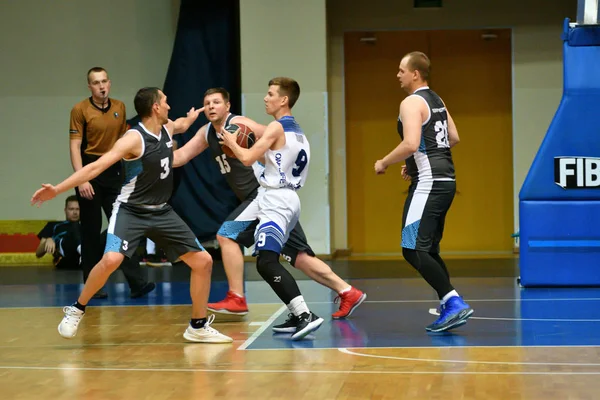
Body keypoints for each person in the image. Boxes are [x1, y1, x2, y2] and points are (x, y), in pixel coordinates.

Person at [32, 87, 232, 343]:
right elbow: (96, 166)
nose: (169, 106)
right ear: (156, 107)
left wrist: (191, 119)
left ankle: (198, 325)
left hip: (162, 212)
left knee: (203, 262)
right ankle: (77, 308)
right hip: (130, 211)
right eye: (166, 101)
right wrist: (58, 189)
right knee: (111, 260)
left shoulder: (166, 128)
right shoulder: (133, 139)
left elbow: (179, 124)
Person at [173, 87, 366, 322]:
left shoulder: (242, 124)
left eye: (216, 102)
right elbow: (179, 158)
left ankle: (238, 297)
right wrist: (167, 137)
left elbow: (278, 140)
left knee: (227, 235)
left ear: (228, 106)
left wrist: (268, 161)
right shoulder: (206, 133)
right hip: (261, 199)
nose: (211, 106)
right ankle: (348, 291)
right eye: (207, 103)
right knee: (297, 257)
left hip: (263, 195)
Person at [374, 51, 473, 333]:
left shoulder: (411, 102)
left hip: (429, 183)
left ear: (415, 73)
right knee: (427, 248)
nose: (398, 75)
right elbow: (452, 137)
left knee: (411, 247)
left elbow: (411, 143)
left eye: (401, 70)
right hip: (445, 181)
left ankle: (453, 302)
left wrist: (384, 162)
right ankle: (449, 302)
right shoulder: (437, 100)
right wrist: (415, 164)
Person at [218, 77, 324, 340]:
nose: (265, 98)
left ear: (283, 100)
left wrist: (231, 141)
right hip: (277, 197)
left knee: (266, 262)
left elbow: (246, 158)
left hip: (277, 200)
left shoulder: (276, 128)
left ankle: (304, 314)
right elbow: (272, 160)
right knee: (228, 232)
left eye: (270, 94)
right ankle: (295, 312)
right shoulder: (297, 132)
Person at [69, 67, 153, 299]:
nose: (101, 86)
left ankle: (137, 283)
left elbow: (123, 142)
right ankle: (92, 285)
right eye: (96, 83)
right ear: (90, 87)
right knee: (91, 231)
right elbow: (75, 146)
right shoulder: (80, 110)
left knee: (122, 228)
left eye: (104, 81)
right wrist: (82, 178)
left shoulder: (119, 107)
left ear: (110, 83)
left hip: (114, 171)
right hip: (90, 171)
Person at [36, 195, 82, 270]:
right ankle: (83, 252)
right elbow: (38, 253)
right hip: (64, 259)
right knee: (75, 226)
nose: (75, 212)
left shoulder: (86, 226)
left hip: (83, 261)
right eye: (71, 209)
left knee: (107, 233)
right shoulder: (53, 225)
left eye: (78, 209)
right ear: (65, 210)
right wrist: (48, 239)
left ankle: (84, 254)